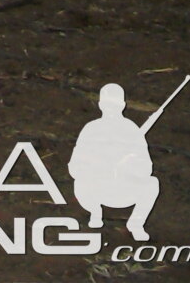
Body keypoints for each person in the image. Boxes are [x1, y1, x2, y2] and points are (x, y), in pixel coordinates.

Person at [69, 82, 163, 240]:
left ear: (123, 105)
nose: (111, 109)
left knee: (152, 184)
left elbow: (147, 167)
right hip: (97, 189)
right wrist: (96, 165)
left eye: (115, 104)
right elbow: (74, 167)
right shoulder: (91, 129)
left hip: (124, 188)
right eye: (107, 104)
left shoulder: (132, 130)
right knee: (79, 183)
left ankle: (136, 224)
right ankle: (95, 212)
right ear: (100, 105)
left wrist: (129, 164)